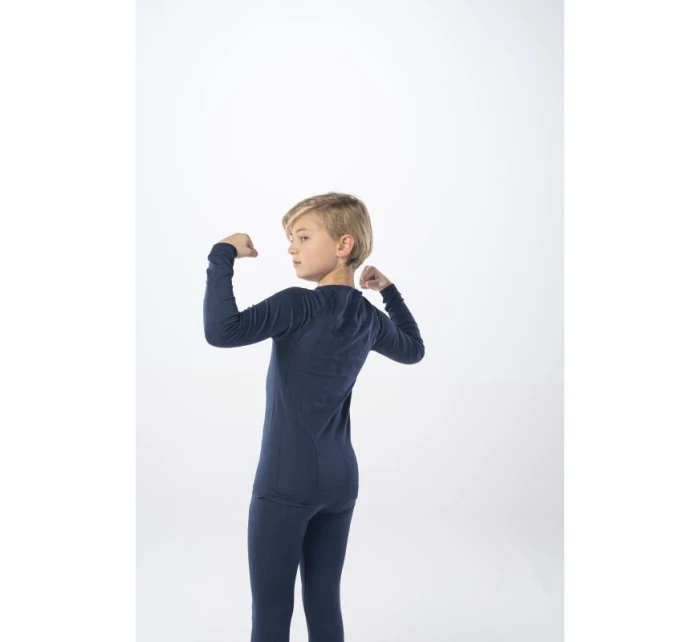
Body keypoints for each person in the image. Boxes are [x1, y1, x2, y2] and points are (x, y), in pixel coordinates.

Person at [203, 192, 425, 641]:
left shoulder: (297, 305)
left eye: (303, 237)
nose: (291, 247)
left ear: (344, 245)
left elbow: (221, 331)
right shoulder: (367, 318)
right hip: (340, 481)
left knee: (271, 613)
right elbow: (413, 350)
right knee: (324, 603)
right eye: (291, 238)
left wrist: (222, 253)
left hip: (285, 482)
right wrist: (388, 291)